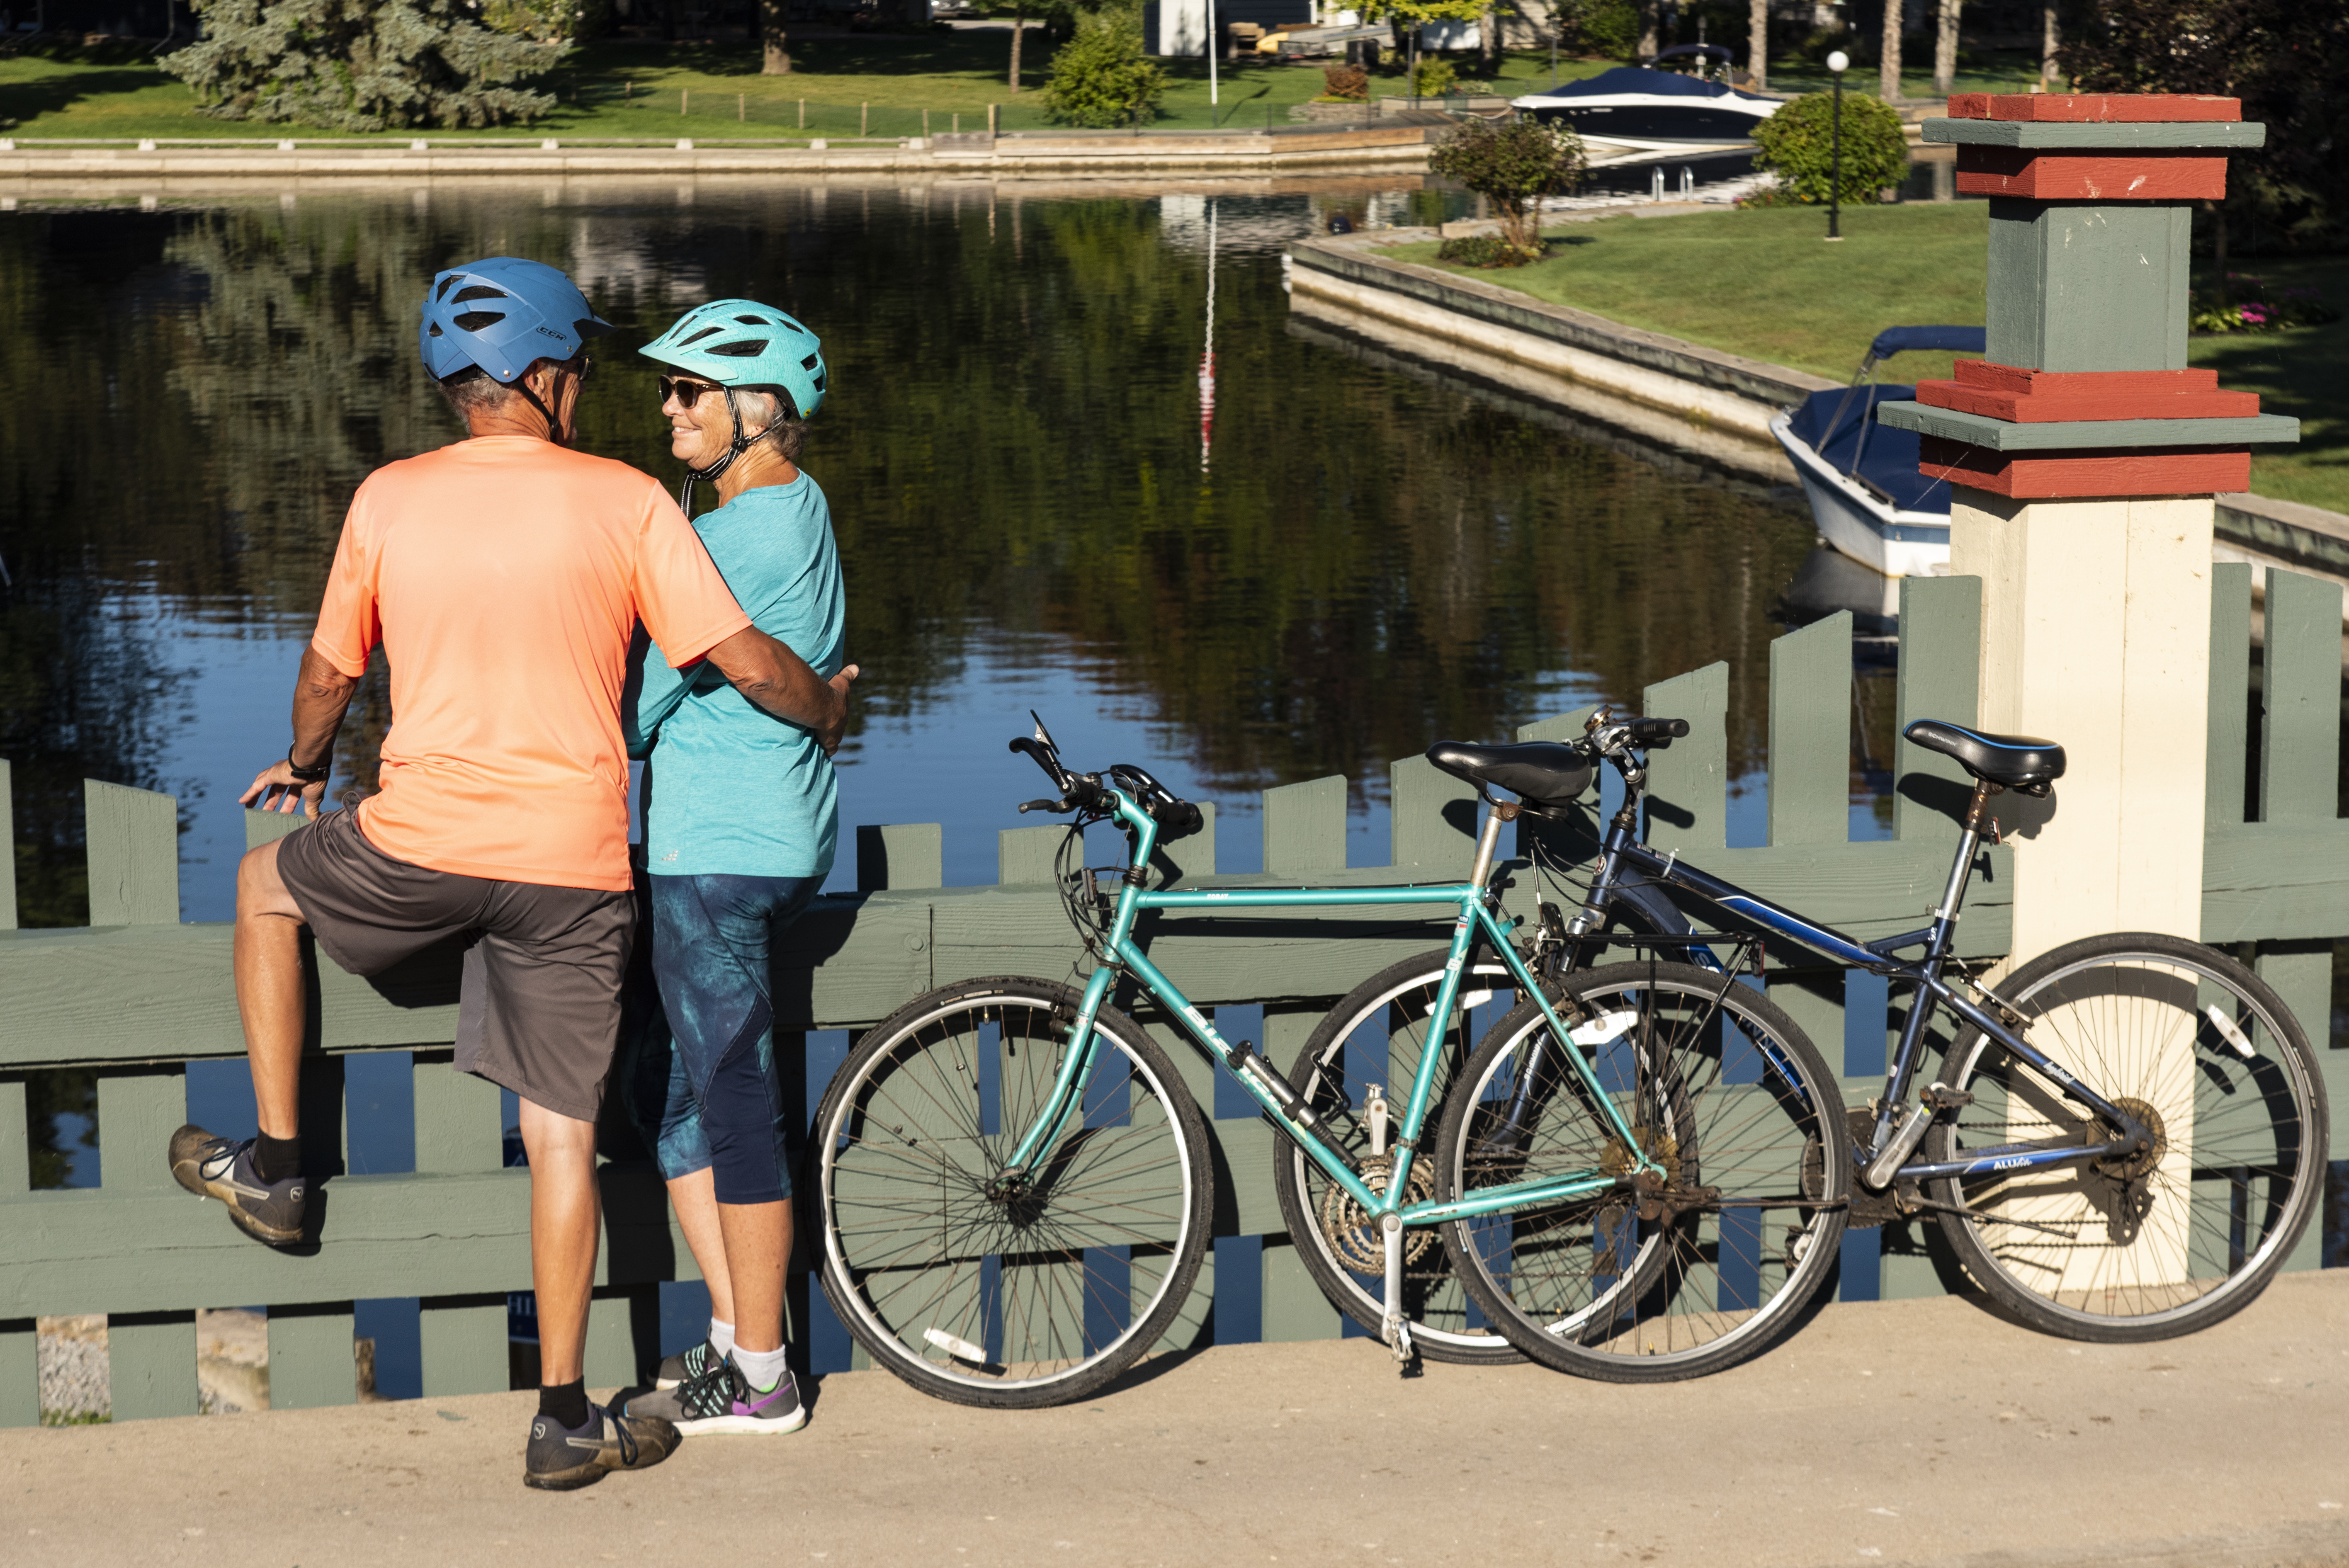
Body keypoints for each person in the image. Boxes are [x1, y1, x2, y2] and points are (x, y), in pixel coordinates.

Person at [162, 258, 857, 1493]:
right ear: (539, 377)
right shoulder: (633, 503)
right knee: (561, 1135)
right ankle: (562, 1416)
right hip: (574, 868)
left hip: (420, 847)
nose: (594, 389)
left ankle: (274, 1166)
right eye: (584, 368)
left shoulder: (387, 495)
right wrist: (822, 710)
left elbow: (329, 675)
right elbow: (745, 658)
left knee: (267, 889)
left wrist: (307, 762)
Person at [615, 300, 844, 1438]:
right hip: (782, 835)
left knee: (731, 1099)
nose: (667, 410)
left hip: (716, 853)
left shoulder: (719, 543)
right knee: (671, 1093)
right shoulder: (803, 515)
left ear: (761, 409)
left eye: (688, 392)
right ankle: (730, 1340)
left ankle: (763, 1375)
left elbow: (637, 713)